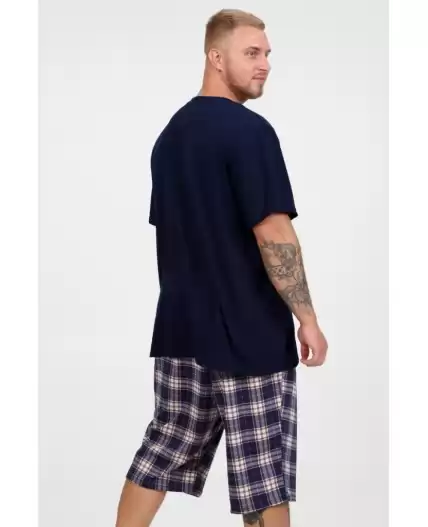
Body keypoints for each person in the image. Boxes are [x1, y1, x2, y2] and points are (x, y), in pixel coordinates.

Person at [115, 8, 328, 527]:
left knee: (164, 447)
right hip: (248, 332)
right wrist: (307, 317)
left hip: (181, 330)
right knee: (262, 472)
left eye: (267, 54)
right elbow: (273, 232)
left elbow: (173, 229)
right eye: (251, 53)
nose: (264, 64)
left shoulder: (170, 137)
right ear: (216, 57)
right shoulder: (250, 132)